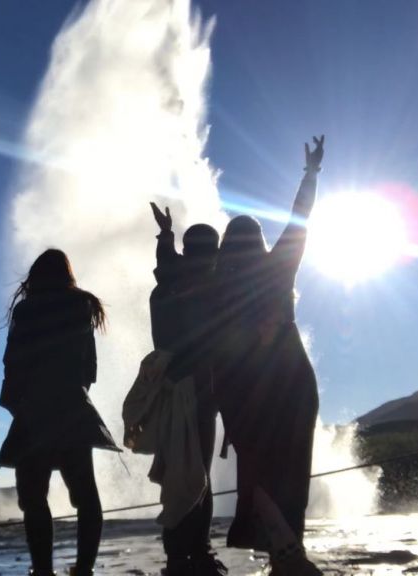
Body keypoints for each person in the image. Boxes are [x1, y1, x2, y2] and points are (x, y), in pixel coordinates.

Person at [213, 136, 324, 576]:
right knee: (292, 469)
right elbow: (300, 218)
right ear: (258, 243)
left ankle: (283, 550)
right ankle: (287, 551)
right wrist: (311, 172)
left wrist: (166, 240)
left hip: (244, 390)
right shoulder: (277, 267)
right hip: (292, 383)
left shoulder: (216, 292)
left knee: (257, 470)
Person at [0, 249, 120, 576]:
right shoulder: (82, 306)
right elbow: (89, 368)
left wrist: (17, 406)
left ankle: (42, 571)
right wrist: (74, 397)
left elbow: (13, 364)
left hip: (33, 411)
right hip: (72, 409)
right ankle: (83, 570)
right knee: (86, 495)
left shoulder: (25, 310)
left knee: (33, 497)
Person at [145, 205, 227, 576]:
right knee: (198, 473)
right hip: (201, 389)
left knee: (178, 469)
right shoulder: (213, 288)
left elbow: (166, 260)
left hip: (167, 387)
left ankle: (178, 554)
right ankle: (198, 552)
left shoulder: (166, 284)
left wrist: (166, 233)